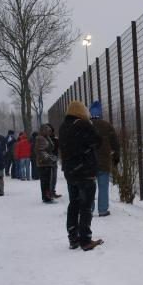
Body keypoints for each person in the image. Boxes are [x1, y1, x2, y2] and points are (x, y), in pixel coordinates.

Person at [59, 101, 103, 251]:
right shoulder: (83, 125)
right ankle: (85, 240)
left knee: (74, 204)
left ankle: (73, 238)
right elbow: (97, 142)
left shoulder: (63, 127)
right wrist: (90, 126)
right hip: (85, 172)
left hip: (70, 173)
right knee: (86, 206)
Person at [89, 101, 119, 217]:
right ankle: (102, 210)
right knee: (103, 187)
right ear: (100, 113)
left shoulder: (86, 125)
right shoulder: (107, 125)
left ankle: (89, 209)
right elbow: (115, 144)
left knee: (90, 187)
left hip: (89, 162)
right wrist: (116, 156)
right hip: (103, 162)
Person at [35, 124, 55, 203]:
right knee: (45, 181)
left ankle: (47, 195)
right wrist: (48, 157)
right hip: (43, 163)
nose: (49, 132)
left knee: (47, 180)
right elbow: (40, 150)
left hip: (47, 163)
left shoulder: (46, 138)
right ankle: (45, 196)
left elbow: (48, 148)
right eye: (47, 131)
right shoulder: (40, 138)